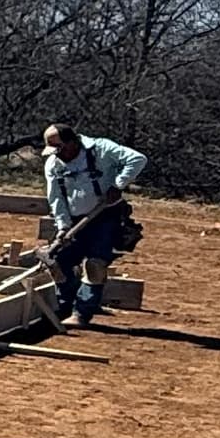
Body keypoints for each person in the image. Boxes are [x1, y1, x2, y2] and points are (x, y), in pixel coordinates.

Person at [39, 121, 145, 324]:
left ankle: (82, 313)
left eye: (59, 148)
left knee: (95, 265)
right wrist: (63, 226)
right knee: (59, 263)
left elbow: (137, 159)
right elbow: (56, 198)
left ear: (71, 143)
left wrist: (118, 184)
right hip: (76, 220)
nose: (57, 154)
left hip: (105, 215)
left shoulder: (101, 150)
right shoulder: (54, 164)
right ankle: (65, 305)